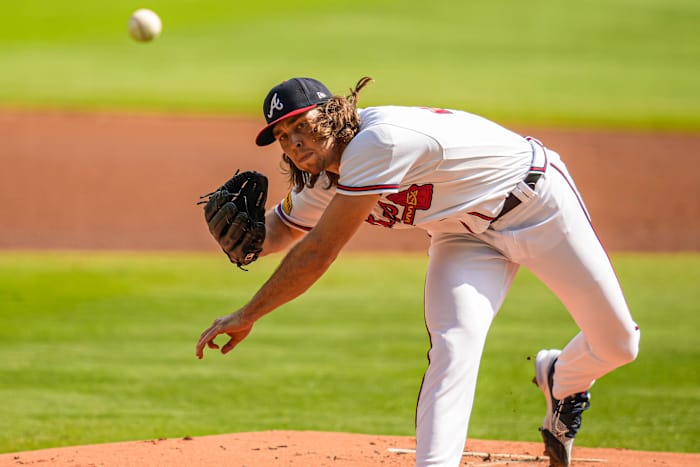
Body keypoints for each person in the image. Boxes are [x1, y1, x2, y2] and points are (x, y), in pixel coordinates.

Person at [196, 76, 640, 467]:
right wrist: (247, 239)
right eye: (283, 134)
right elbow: (279, 232)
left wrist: (249, 312)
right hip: (462, 236)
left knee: (618, 344)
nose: (294, 142)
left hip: (536, 205)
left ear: (333, 115)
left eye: (302, 125)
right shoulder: (321, 179)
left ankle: (565, 377)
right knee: (453, 345)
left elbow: (318, 253)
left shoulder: (379, 142)